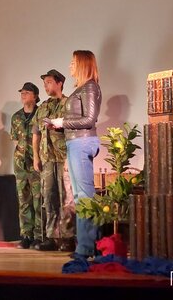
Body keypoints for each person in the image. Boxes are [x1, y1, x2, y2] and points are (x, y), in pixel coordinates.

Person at [50, 51, 102, 258]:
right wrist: (60, 126)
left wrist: (62, 122)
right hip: (75, 142)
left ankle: (86, 247)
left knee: (84, 196)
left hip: (82, 142)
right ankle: (88, 245)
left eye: (73, 62)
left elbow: (89, 119)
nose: (70, 65)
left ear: (82, 64)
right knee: (81, 196)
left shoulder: (90, 87)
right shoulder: (82, 88)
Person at [32, 69, 75, 252]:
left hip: (64, 157)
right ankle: (51, 237)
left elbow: (75, 130)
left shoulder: (69, 104)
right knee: (49, 197)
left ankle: (67, 237)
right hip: (47, 158)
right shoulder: (43, 107)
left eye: (49, 82)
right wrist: (35, 156)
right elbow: (35, 133)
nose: (46, 86)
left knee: (67, 198)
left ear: (59, 83)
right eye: (44, 83)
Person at [10, 82, 42, 249]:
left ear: (35, 96)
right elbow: (15, 139)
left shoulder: (41, 114)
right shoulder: (16, 117)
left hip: (37, 163)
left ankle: (39, 235)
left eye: (27, 92)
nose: (23, 95)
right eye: (22, 92)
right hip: (20, 164)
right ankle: (26, 235)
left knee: (38, 199)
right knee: (23, 200)